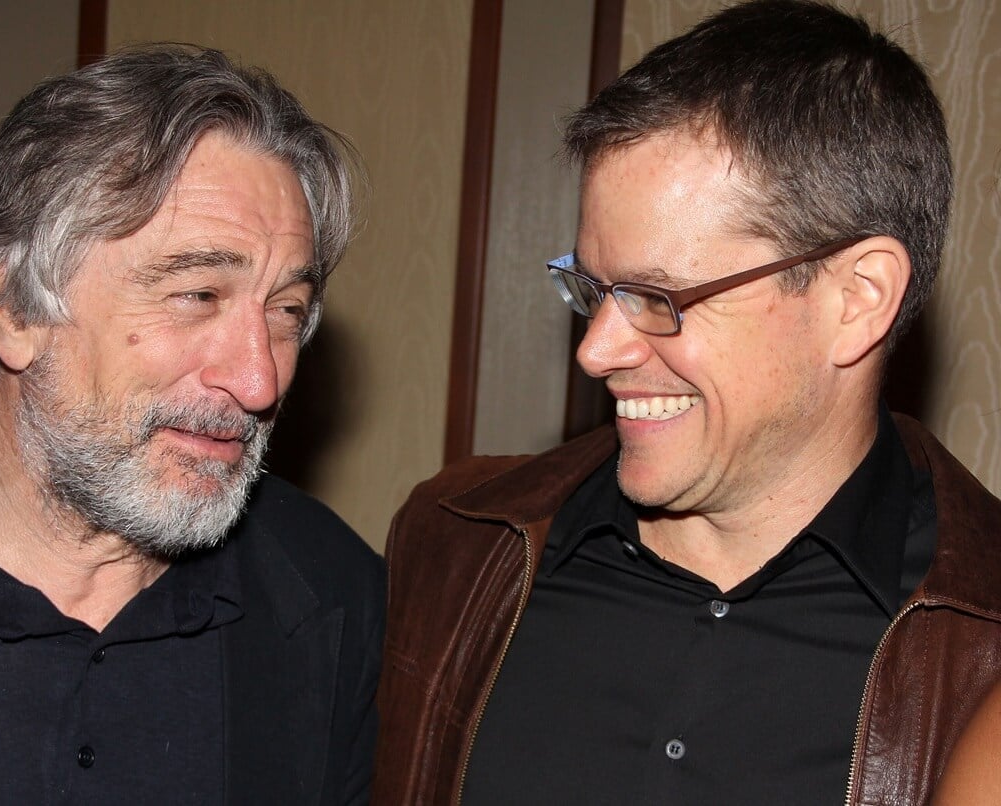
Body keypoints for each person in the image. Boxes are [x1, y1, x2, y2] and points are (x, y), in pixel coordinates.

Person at [371, 2, 1001, 804]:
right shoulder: (454, 546)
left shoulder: (983, 636)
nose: (595, 352)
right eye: (593, 289)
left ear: (858, 298)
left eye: (657, 296)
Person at [0, 45, 383, 804]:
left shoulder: (334, 597)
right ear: (12, 307)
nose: (259, 379)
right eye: (197, 293)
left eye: (286, 311)